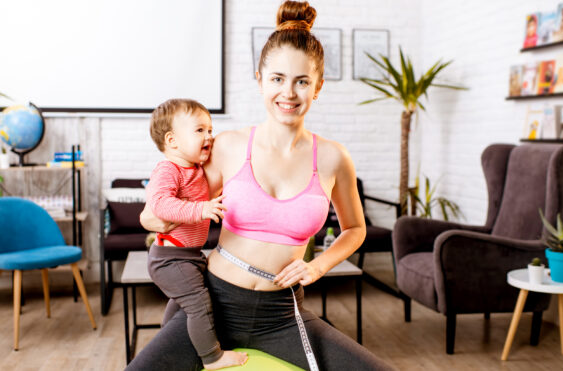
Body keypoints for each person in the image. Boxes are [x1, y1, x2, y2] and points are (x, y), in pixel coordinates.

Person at [130, 2, 393, 370]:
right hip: (214, 303)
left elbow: (354, 229)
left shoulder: (334, 158)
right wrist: (151, 216)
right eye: (277, 78)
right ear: (260, 79)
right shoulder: (227, 147)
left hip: (281, 314)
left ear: (318, 87)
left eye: (302, 81)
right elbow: (168, 204)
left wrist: (316, 267)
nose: (289, 92)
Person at [144, 99, 248, 370]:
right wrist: (201, 209)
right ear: (172, 140)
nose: (209, 136)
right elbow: (159, 205)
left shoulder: (197, 170)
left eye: (210, 129)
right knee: (199, 303)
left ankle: (169, 341)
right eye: (199, 130)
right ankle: (212, 357)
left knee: (183, 304)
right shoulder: (169, 169)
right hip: (170, 257)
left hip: (188, 255)